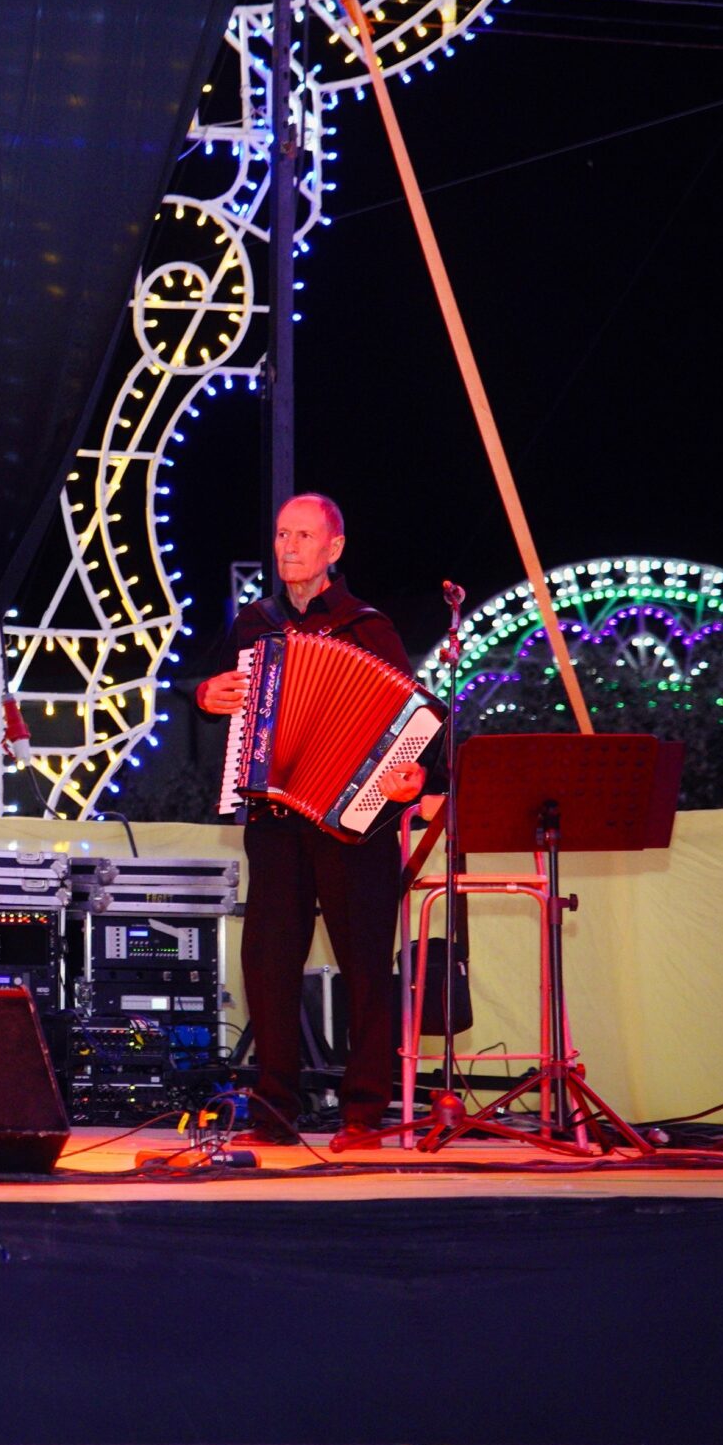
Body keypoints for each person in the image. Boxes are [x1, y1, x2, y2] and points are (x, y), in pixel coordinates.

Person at [196, 493, 443, 1153]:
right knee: (268, 960)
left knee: (365, 963)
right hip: (276, 813)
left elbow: (418, 722)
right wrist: (206, 695)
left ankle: (364, 1112)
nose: (288, 547)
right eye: (282, 534)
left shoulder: (368, 627)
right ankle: (276, 1107)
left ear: (334, 548)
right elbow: (208, 691)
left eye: (303, 536)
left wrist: (415, 775)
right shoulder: (256, 623)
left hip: (353, 822)